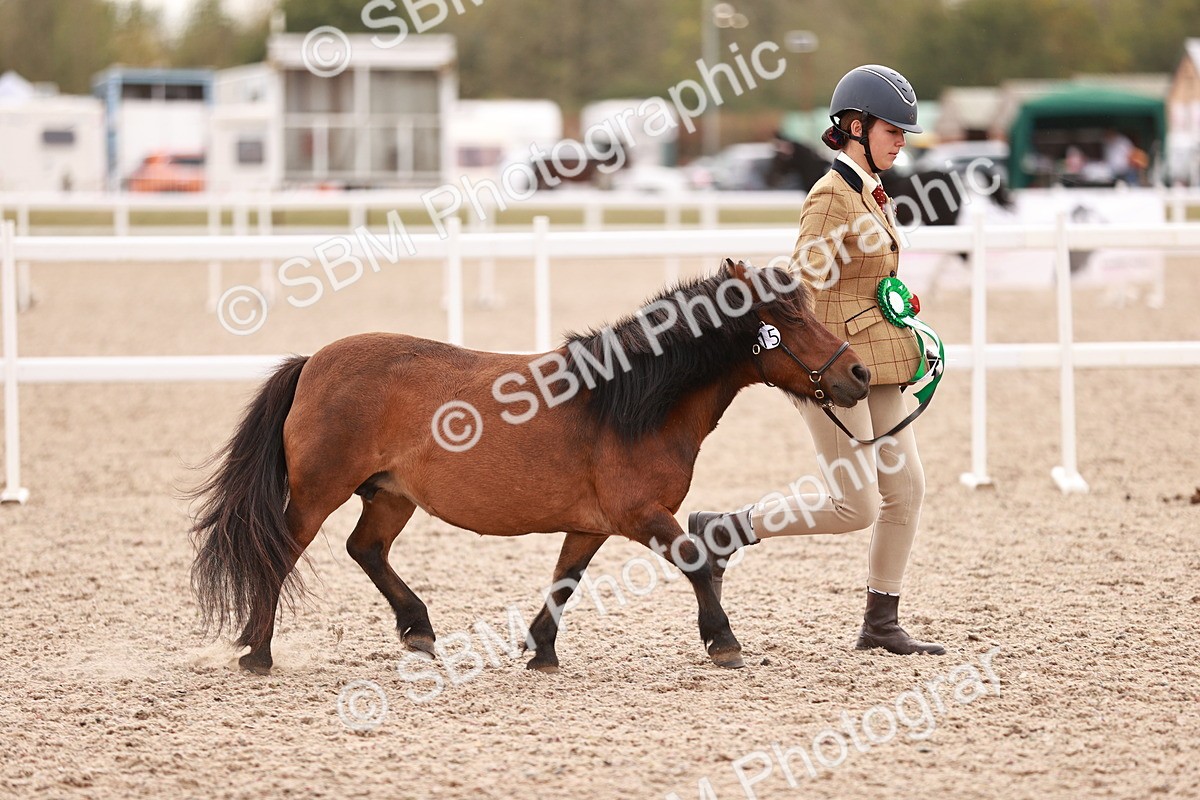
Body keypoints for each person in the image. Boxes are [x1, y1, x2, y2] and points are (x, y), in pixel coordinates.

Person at [689, 64, 945, 655]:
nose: (901, 143)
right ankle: (724, 531)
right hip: (835, 370)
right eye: (893, 131)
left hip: (881, 363)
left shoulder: (870, 191)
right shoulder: (830, 197)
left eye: (902, 133)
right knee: (855, 506)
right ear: (856, 127)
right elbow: (802, 290)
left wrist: (894, 303)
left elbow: (864, 278)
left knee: (906, 488)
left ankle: (881, 622)